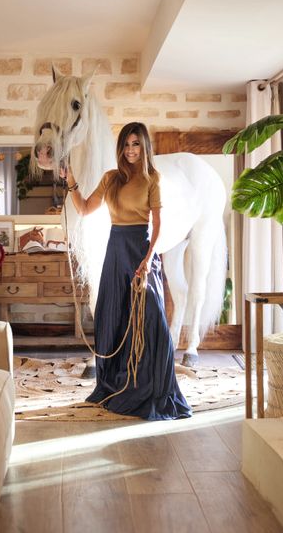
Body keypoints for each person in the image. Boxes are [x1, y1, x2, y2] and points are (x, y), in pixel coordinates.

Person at [65, 122, 191, 420]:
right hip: (115, 251)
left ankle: (152, 387)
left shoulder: (152, 180)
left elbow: (158, 225)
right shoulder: (111, 179)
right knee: (114, 317)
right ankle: (117, 384)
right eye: (126, 144)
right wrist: (71, 182)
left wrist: (148, 259)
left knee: (152, 321)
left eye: (136, 144)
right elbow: (84, 208)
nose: (131, 150)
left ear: (144, 147)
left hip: (141, 251)